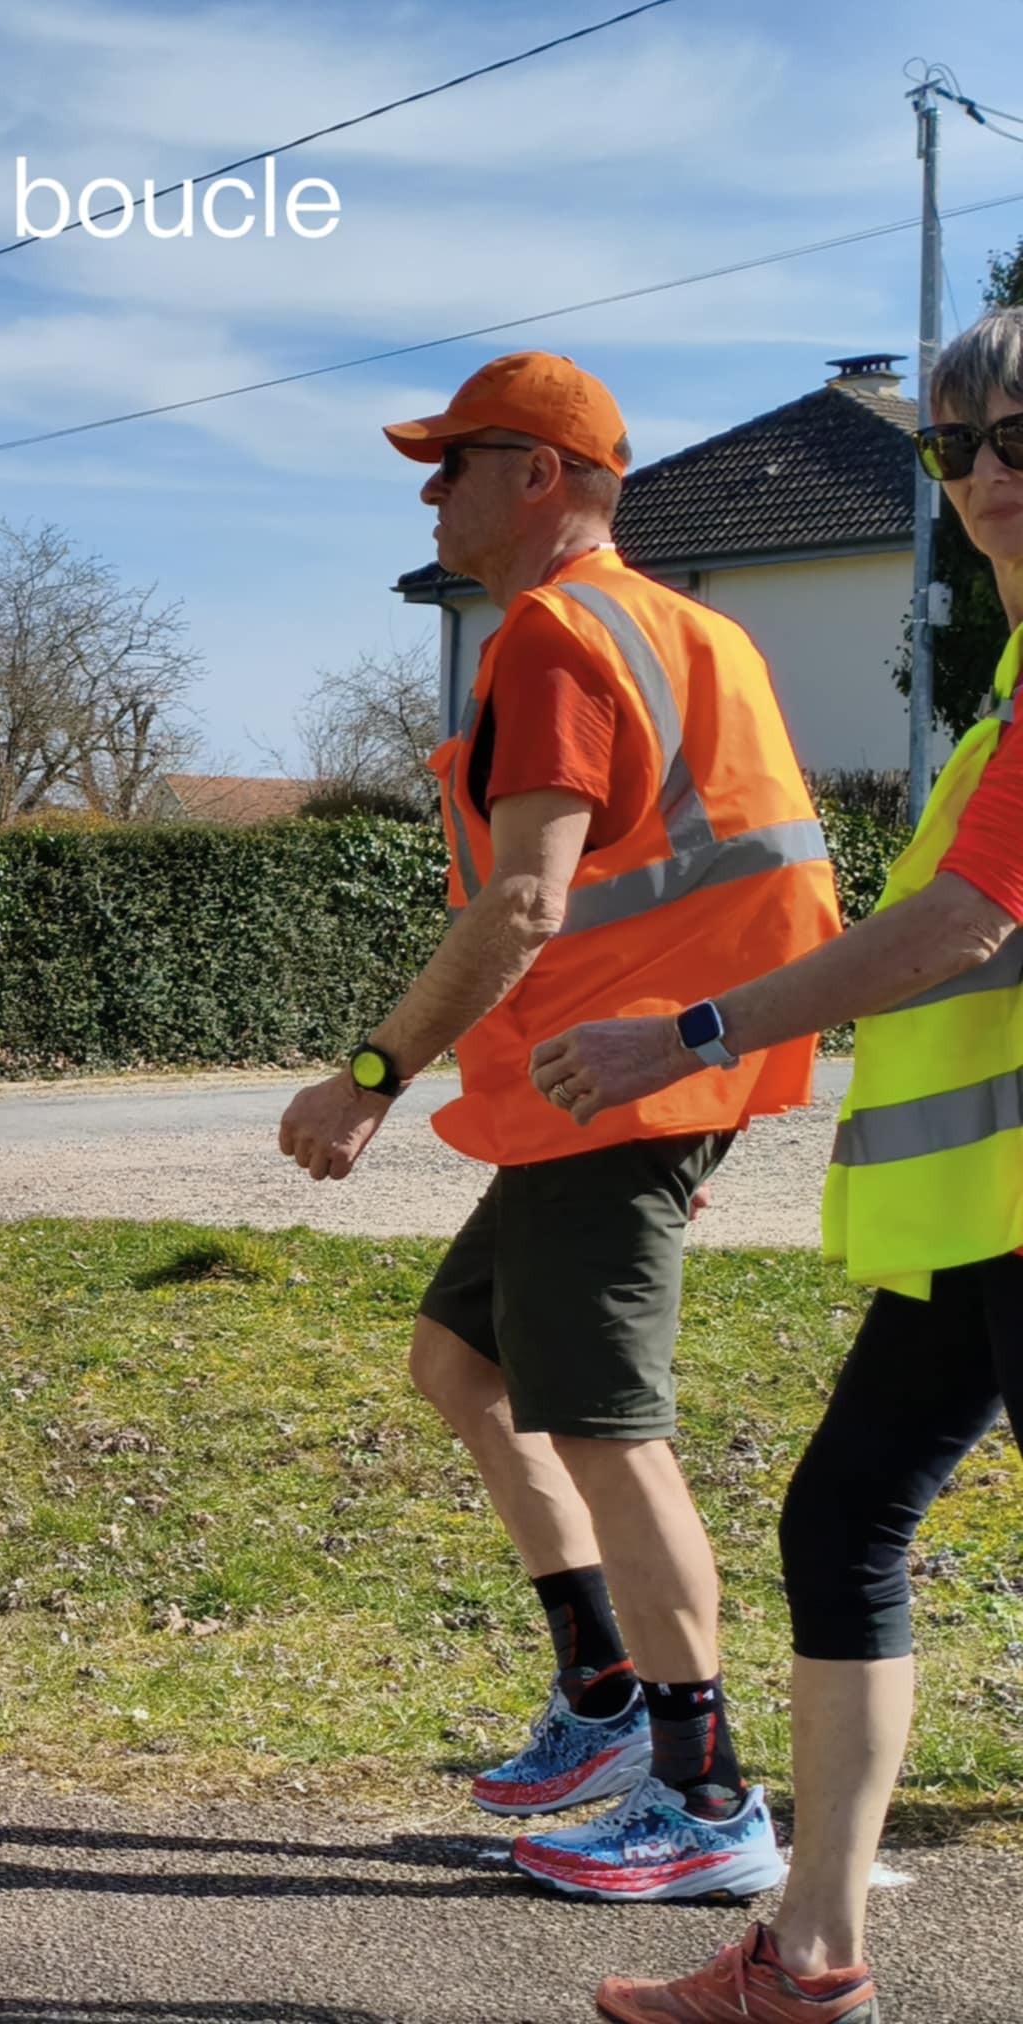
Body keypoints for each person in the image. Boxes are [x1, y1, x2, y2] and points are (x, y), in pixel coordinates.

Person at [278, 352, 841, 1899]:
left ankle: (706, 1796)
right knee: (463, 1363)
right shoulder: (687, 626)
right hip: (619, 1090)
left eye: (451, 461)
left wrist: (372, 1078)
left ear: (542, 476)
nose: (429, 490)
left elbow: (529, 898)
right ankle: (602, 1693)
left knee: (607, 1432)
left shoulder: (549, 635)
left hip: (610, 1089)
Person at [535, 307, 1023, 2022]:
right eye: (953, 447)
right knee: (843, 1517)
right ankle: (810, 1961)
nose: (980, 479)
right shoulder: (1012, 685)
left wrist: (690, 1035)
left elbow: (961, 929)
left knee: (851, 1519)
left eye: (1016, 440)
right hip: (980, 1224)